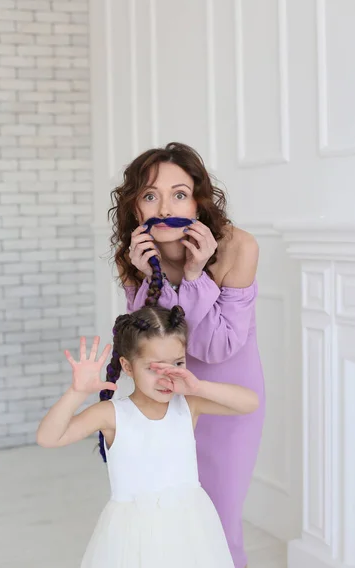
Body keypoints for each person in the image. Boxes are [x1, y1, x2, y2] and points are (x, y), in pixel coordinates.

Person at [109, 142, 265, 568]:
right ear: (136, 208)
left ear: (196, 202)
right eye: (149, 195)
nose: (164, 206)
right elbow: (149, 346)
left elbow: (216, 348)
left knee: (218, 525)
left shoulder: (238, 248)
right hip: (167, 405)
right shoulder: (135, 257)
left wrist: (194, 277)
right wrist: (147, 280)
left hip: (225, 401)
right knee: (168, 525)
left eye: (178, 194)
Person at [36, 305, 259, 568]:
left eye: (177, 363)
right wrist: (76, 392)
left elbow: (249, 403)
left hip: (189, 527)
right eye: (155, 368)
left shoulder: (188, 404)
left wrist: (198, 386)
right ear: (128, 367)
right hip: (133, 535)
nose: (168, 376)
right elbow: (48, 438)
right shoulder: (111, 414)